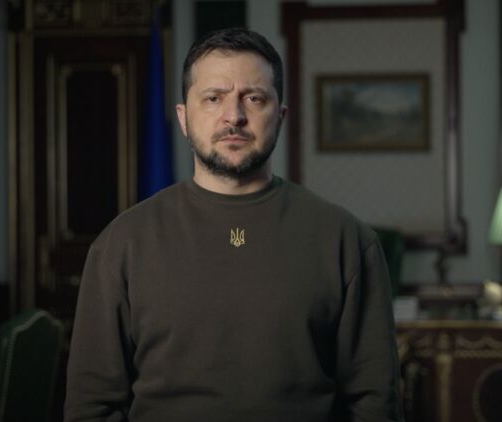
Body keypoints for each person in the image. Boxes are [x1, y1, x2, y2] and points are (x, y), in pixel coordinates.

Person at [64, 27, 403, 422]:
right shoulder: (121, 243)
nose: (234, 116)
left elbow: (375, 405)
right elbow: (92, 406)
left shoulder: (346, 240)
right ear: (183, 118)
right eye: (213, 98)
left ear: (280, 115)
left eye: (254, 98)